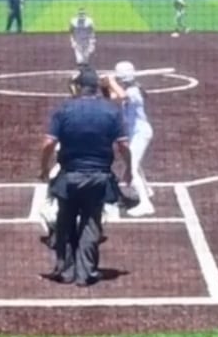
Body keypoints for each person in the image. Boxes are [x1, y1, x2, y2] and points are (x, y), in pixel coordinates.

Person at [37, 67, 133, 286]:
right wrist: (128, 168)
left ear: (79, 87)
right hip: (99, 177)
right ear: (97, 87)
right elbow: (124, 145)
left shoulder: (64, 109)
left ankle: (65, 271)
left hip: (69, 176)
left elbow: (48, 144)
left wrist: (44, 169)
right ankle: (86, 273)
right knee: (91, 224)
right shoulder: (111, 111)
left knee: (65, 222)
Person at [112, 61, 156, 215]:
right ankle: (147, 189)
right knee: (135, 164)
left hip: (141, 133)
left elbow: (121, 95)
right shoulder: (131, 89)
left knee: (132, 167)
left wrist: (110, 81)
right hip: (136, 133)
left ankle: (146, 204)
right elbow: (112, 96)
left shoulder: (132, 92)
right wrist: (105, 85)